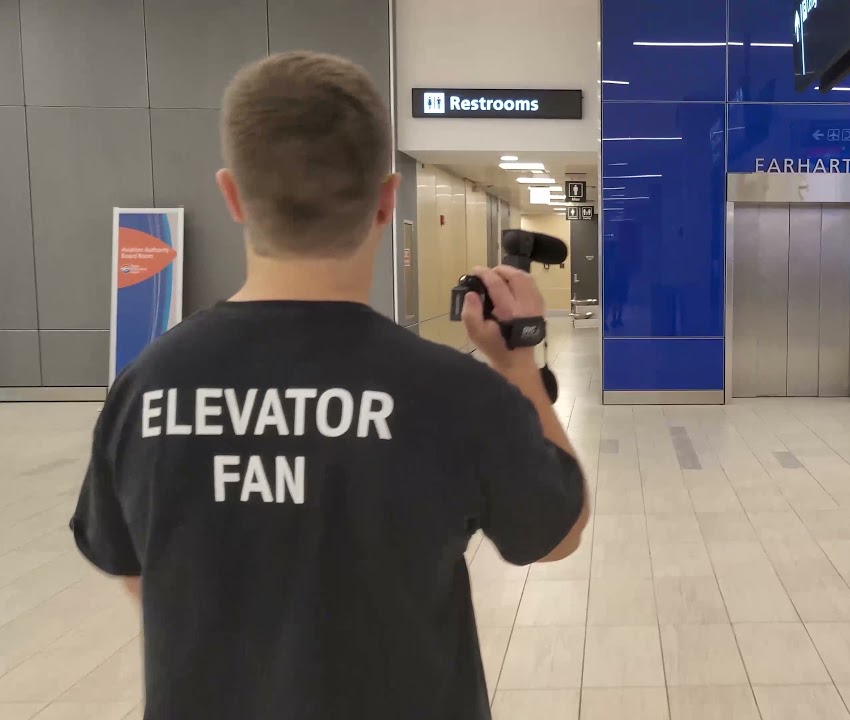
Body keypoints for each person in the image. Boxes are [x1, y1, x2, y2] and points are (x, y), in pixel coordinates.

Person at [69, 51, 589, 719]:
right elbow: (557, 533)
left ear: (231, 195)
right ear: (386, 199)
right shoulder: (454, 394)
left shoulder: (147, 386)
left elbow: (137, 569)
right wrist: (517, 364)